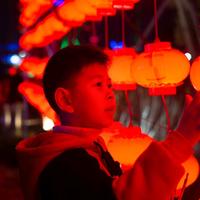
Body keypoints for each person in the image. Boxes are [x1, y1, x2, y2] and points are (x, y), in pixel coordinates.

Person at [16, 45, 200, 200]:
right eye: (98, 85)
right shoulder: (67, 165)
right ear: (66, 100)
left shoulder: (90, 147)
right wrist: (182, 139)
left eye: (109, 85)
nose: (110, 93)